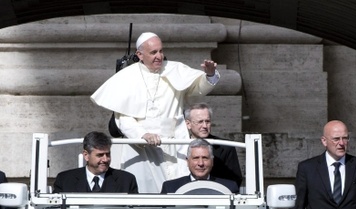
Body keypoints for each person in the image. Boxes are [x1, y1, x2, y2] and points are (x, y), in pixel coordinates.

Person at [91, 32, 220, 193]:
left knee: (176, 191)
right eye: (153, 52)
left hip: (173, 145)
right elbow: (123, 119)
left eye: (161, 51)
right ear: (140, 54)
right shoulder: (127, 77)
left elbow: (198, 88)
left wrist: (209, 75)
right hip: (140, 147)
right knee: (142, 193)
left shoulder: (174, 69)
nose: (159, 56)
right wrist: (143, 134)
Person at [53, 131, 138, 193]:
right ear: (86, 155)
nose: (105, 159)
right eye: (100, 155)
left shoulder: (126, 180)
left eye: (108, 154)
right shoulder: (65, 180)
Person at [185, 102, 243, 187]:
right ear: (188, 124)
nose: (204, 126)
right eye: (200, 122)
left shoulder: (225, 147)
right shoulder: (178, 146)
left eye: (207, 121)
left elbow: (234, 181)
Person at [160, 138, 239, 194]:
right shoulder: (170, 188)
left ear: (212, 161)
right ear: (187, 161)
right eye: (195, 158)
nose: (200, 163)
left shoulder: (230, 188)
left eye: (205, 158)